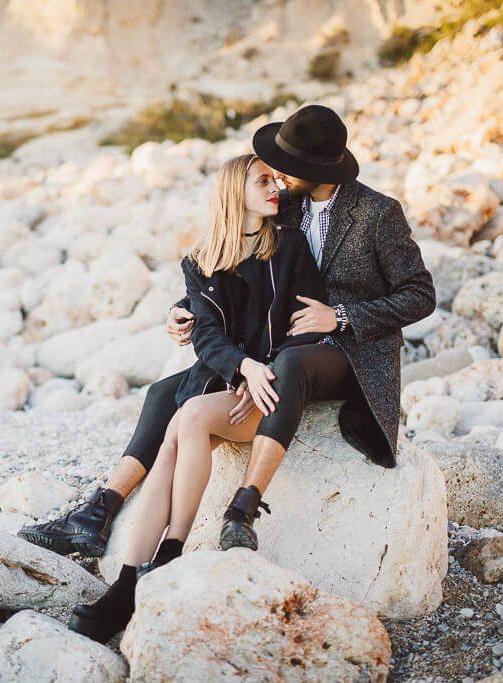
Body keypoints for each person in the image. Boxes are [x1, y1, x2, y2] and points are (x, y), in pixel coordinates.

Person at [19, 104, 435, 556]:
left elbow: (420, 294)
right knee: (163, 392)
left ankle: (243, 509)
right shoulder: (285, 203)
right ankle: (99, 509)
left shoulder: (377, 213)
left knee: (289, 365)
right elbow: (240, 268)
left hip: (349, 351)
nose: (277, 175)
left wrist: (340, 316)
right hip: (276, 343)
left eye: (288, 167)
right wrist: (187, 309)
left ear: (319, 169)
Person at [67, 153, 327, 643]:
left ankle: (169, 554)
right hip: (227, 383)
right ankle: (129, 581)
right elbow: (206, 336)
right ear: (234, 193)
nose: (275, 188)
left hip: (274, 392)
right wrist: (241, 367)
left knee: (187, 417)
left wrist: (265, 371)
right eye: (263, 181)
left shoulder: (290, 246)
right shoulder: (201, 262)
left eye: (274, 180)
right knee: (173, 434)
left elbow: (306, 326)